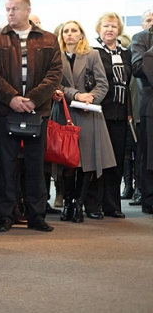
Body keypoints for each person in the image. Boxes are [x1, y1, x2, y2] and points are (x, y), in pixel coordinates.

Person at [0, 0, 62, 233]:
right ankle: (5, 215)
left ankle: (36, 215)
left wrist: (32, 99)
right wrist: (12, 98)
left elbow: (55, 73)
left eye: (15, 8)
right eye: (7, 9)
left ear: (28, 10)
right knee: (6, 166)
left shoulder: (48, 39)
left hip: (36, 111)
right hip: (6, 111)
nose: (10, 13)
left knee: (36, 166)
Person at [57, 21, 116, 222]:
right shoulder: (56, 56)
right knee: (67, 161)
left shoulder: (92, 55)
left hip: (88, 114)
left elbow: (103, 84)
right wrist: (77, 95)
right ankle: (67, 203)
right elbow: (55, 85)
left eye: (74, 30)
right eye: (66, 31)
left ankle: (79, 204)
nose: (70, 34)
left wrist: (90, 98)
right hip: (65, 114)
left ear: (81, 34)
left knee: (87, 162)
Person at [91, 13, 131, 218]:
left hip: (120, 114)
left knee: (116, 161)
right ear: (99, 29)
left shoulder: (126, 54)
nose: (110, 30)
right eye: (105, 26)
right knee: (98, 161)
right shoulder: (93, 52)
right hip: (99, 113)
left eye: (114, 26)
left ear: (119, 30)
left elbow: (130, 85)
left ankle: (112, 205)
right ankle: (94, 205)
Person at [130, 10, 153, 215]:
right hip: (150, 104)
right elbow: (137, 68)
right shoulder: (141, 38)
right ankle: (149, 200)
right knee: (149, 156)